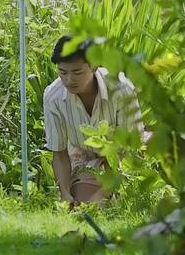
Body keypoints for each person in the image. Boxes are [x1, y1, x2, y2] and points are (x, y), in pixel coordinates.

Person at [43, 35, 144, 206]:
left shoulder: (121, 89)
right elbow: (59, 153)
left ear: (94, 66)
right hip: (84, 160)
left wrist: (109, 187)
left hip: (124, 158)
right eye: (63, 72)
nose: (69, 80)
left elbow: (132, 148)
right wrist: (65, 194)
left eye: (77, 72)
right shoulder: (53, 97)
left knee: (103, 203)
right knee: (85, 205)